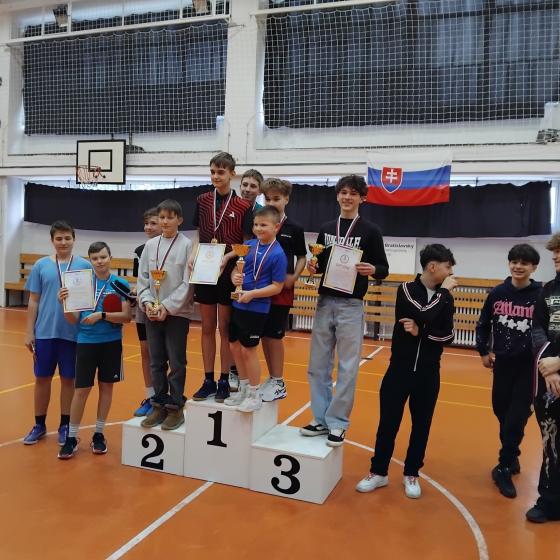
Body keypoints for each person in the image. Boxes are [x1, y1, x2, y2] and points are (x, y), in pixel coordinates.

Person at [355, 244, 456, 498]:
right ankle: (378, 472)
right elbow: (423, 313)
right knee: (388, 424)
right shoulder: (407, 289)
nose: (451, 273)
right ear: (432, 266)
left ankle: (412, 473)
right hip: (399, 371)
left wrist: (421, 331)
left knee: (421, 426)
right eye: (448, 267)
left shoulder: (447, 299)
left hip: (429, 373)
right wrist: (440, 299)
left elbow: (448, 335)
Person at [299, 174, 389, 446]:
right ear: (337, 195)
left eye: (353, 193)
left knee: (348, 366)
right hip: (325, 302)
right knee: (318, 365)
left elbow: (383, 268)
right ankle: (320, 419)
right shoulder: (327, 228)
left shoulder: (371, 231)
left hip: (351, 305)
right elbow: (318, 263)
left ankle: (338, 422)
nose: (347, 197)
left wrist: (373, 269)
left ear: (363, 198)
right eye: (343, 192)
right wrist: (313, 267)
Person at [476, 243, 541, 499]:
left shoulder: (540, 295)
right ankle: (512, 455)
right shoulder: (498, 293)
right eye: (514, 262)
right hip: (502, 364)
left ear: (534, 267)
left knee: (516, 417)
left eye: (524, 263)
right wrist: (483, 351)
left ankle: (503, 466)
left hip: (529, 367)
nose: (518, 266)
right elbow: (483, 324)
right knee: (501, 410)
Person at [58, 242, 132, 459]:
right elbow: (73, 319)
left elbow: (126, 317)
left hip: (111, 343)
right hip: (86, 342)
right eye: (95, 258)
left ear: (110, 258)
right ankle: (71, 437)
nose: (100, 261)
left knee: (106, 388)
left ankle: (99, 434)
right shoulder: (81, 284)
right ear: (90, 261)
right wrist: (64, 304)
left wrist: (102, 316)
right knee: (81, 390)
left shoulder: (120, 284)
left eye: (103, 257)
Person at [189, 152, 253, 403]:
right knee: (206, 326)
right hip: (205, 268)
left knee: (224, 327)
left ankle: (224, 379)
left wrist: (228, 258)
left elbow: (246, 243)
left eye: (221, 172)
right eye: (213, 172)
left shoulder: (244, 206)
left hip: (228, 271)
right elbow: (198, 234)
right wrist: (194, 254)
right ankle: (208, 379)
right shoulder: (202, 200)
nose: (216, 176)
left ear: (232, 174)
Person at [22, 220, 92, 446]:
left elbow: (88, 301)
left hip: (72, 334)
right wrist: (29, 331)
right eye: (59, 238)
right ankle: (39, 425)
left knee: (68, 380)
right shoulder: (41, 265)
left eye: (67, 238)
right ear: (52, 241)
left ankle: (65, 425)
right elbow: (33, 301)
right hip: (45, 332)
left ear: (74, 239)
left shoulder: (84, 265)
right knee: (42, 378)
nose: (63, 242)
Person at [136, 199, 193, 430]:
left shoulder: (187, 245)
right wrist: (148, 303)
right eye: (161, 217)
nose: (165, 221)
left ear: (179, 220)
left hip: (177, 313)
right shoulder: (150, 246)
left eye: (170, 217)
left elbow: (188, 283)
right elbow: (142, 280)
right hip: (152, 311)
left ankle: (175, 407)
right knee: (156, 361)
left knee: (176, 362)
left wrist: (166, 307)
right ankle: (158, 405)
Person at [224, 205, 287, 412]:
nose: (258, 228)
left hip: (257, 308)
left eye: (264, 225)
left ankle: (254, 394)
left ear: (276, 227)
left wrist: (253, 294)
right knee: (235, 346)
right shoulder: (249, 245)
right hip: (238, 303)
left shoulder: (278, 254)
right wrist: (235, 277)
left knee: (248, 350)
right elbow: (236, 269)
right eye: (256, 224)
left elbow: (277, 287)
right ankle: (243, 390)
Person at [258, 178, 306, 402]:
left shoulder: (294, 228)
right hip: (261, 287)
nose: (272, 203)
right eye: (268, 199)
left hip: (282, 291)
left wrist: (294, 277)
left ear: (286, 199)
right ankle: (272, 378)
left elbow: (302, 256)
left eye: (276, 198)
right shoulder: (261, 224)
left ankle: (279, 381)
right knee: (265, 335)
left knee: (275, 336)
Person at [527, 233, 560, 522]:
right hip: (550, 380)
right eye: (554, 253)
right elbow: (537, 328)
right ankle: (548, 501)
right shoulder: (547, 290)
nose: (556, 257)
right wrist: (549, 365)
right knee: (551, 443)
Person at [229, 168, 265, 389]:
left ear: (259, 190)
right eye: (245, 185)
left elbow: (252, 244)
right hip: (232, 270)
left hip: (251, 272)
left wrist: (230, 258)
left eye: (253, 186)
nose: (248, 189)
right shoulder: (231, 206)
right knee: (231, 329)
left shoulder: (261, 213)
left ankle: (249, 381)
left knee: (246, 334)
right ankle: (233, 371)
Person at [132, 207, 162, 417]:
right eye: (146, 223)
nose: (149, 227)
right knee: (145, 351)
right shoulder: (140, 250)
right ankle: (150, 396)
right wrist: (137, 292)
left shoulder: (174, 248)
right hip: (145, 307)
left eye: (153, 223)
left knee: (163, 354)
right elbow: (140, 280)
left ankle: (164, 395)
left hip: (165, 307)